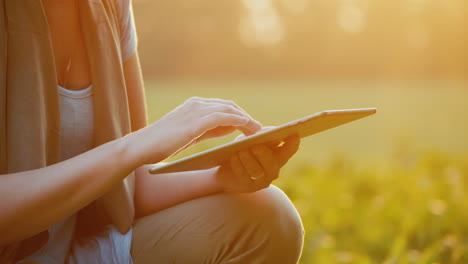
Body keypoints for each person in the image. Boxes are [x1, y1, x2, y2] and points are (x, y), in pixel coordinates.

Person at [0, 0, 304, 263]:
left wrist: (221, 177)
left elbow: (131, 187)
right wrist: (133, 147)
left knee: (269, 215)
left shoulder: (110, 7)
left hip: (75, 252)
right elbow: (126, 156)